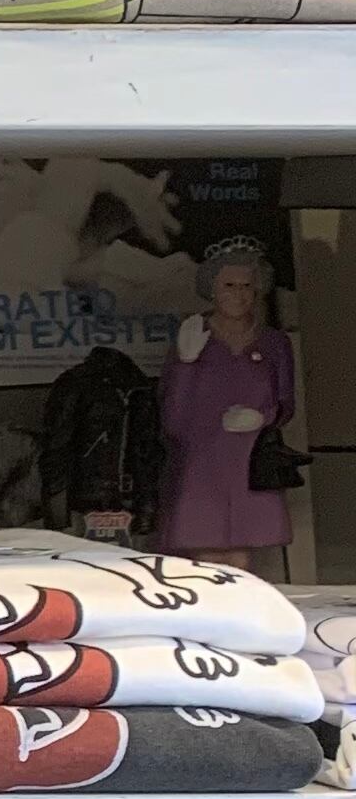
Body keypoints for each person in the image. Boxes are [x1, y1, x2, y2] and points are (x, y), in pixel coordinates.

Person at [159, 237, 296, 568]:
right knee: (204, 551)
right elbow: (173, 419)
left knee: (242, 555)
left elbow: (286, 403)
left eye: (247, 286)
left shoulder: (274, 342)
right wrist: (185, 364)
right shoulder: (193, 334)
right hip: (202, 462)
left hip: (250, 461)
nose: (239, 294)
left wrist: (263, 417)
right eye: (229, 285)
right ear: (212, 289)